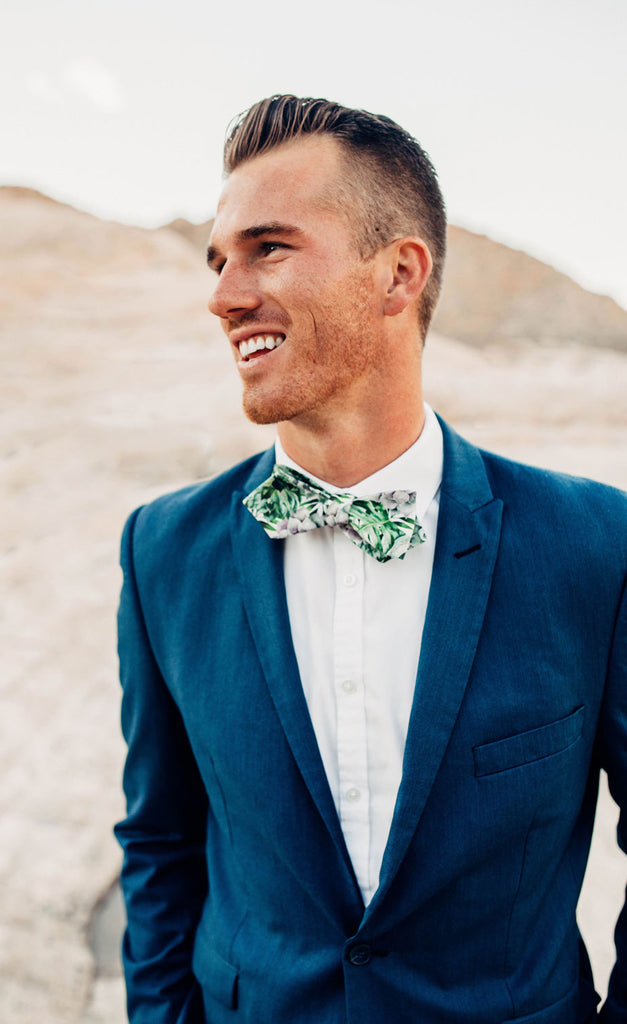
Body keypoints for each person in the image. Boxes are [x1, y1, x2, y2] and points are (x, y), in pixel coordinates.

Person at [115, 95, 627, 1024]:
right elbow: (160, 841)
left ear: (397, 274)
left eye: (269, 248)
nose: (224, 296)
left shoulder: (594, 545)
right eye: (219, 260)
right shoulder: (163, 552)